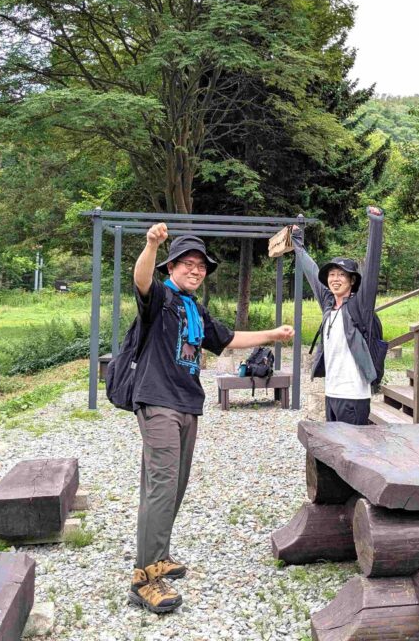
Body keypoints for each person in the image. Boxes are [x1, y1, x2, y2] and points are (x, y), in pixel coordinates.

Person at [129, 224, 294, 614]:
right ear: (171, 267)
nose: (195, 270)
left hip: (187, 403)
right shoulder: (161, 298)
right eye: (187, 263)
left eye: (200, 265)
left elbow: (227, 339)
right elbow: (141, 280)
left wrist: (272, 334)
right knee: (161, 485)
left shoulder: (194, 308)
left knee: (175, 483)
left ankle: (160, 556)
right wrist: (151, 245)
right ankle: (144, 579)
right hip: (158, 400)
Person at [291, 206, 384, 425]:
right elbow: (312, 272)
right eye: (332, 274)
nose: (335, 279)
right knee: (333, 445)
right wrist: (297, 243)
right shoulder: (329, 305)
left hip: (353, 396)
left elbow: (372, 269)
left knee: (351, 446)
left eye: (341, 275)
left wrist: (376, 224)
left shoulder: (360, 307)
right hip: (331, 392)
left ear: (352, 280)